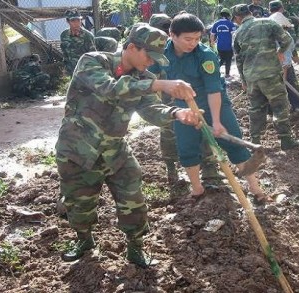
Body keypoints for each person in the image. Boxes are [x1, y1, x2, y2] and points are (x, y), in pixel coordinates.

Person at [55, 24, 202, 267]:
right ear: (132, 47)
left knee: (132, 199)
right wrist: (160, 85)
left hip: (116, 150)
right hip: (78, 149)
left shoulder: (144, 77)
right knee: (79, 203)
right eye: (149, 56)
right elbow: (112, 89)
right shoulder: (93, 61)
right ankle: (84, 240)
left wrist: (177, 113)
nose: (151, 64)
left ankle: (135, 247)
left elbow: (150, 109)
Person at [158, 13, 267, 202]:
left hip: (214, 104)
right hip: (184, 108)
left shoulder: (205, 55)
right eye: (188, 39)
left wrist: (216, 121)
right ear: (172, 35)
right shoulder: (162, 53)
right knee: (187, 147)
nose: (193, 43)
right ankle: (197, 189)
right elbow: (150, 77)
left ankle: (256, 190)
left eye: (197, 38)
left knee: (234, 143)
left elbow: (213, 91)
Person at [148, 14, 222, 185]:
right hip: (169, 99)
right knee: (168, 132)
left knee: (202, 128)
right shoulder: (157, 50)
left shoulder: (195, 49)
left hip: (196, 97)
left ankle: (209, 167)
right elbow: (149, 75)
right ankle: (171, 168)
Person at [232, 4, 299, 150]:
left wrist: (243, 81)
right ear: (250, 12)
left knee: (255, 108)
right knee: (280, 105)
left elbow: (238, 59)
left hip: (251, 78)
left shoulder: (237, 33)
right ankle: (285, 140)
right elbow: (287, 39)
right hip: (270, 74)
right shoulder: (268, 23)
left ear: (238, 17)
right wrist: (280, 51)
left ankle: (255, 141)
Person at [268, 0, 299, 112]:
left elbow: (288, 44)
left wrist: (294, 55)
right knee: (283, 84)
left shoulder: (271, 23)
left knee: (279, 84)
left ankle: (294, 105)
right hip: (277, 62)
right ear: (281, 8)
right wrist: (285, 71)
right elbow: (285, 49)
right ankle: (290, 107)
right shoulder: (280, 30)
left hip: (274, 62)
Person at [60, 9, 96, 76]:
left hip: (85, 71)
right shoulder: (64, 35)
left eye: (78, 20)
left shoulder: (88, 35)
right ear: (68, 21)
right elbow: (65, 53)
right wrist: (66, 68)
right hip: (71, 70)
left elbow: (93, 55)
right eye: (73, 20)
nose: (76, 23)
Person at [210, 8, 237, 78]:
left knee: (221, 59)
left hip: (219, 46)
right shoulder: (231, 24)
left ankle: (214, 71)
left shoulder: (216, 24)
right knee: (228, 60)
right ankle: (227, 74)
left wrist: (212, 43)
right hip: (228, 46)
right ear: (228, 15)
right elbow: (234, 35)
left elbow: (212, 34)